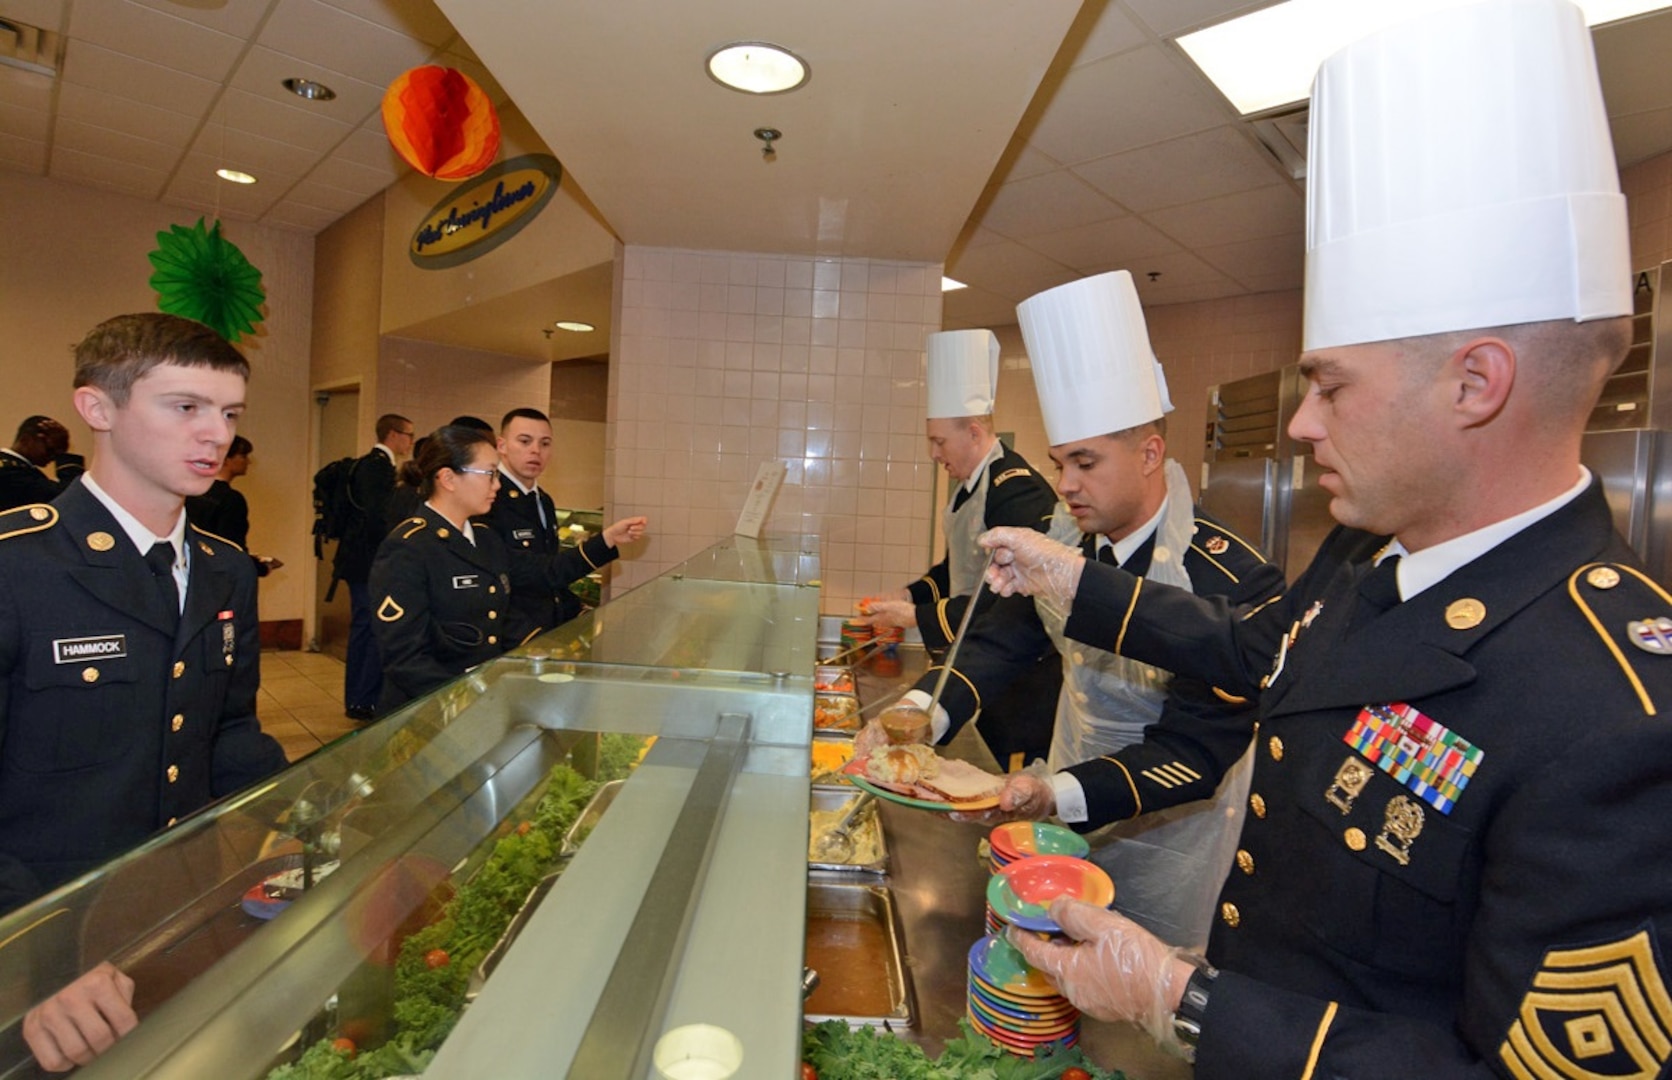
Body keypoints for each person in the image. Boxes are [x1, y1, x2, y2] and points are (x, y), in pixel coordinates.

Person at [977, 3, 1672, 1076]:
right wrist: (1073, 577)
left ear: (1474, 384)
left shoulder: (1619, 719)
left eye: (1330, 385)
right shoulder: (1367, 554)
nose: (1300, 426)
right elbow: (1261, 657)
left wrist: (1183, 999)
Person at [859, 271, 1284, 949]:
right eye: (1061, 463)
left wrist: (1059, 792)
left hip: (1167, 833)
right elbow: (1000, 639)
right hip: (1061, 793)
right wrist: (919, 712)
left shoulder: (1226, 579)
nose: (1065, 485)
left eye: (1085, 462)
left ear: (1150, 453)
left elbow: (1194, 752)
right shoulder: (1065, 543)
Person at [0, 312, 286, 1070]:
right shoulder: (18, 567)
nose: (216, 436)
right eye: (185, 407)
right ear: (98, 408)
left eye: (229, 414)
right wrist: (30, 963)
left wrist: (307, 827)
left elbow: (231, 733)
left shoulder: (225, 568)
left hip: (176, 912)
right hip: (41, 948)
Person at [859, 329, 1062, 767]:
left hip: (1015, 681)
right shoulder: (968, 487)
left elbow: (1009, 600)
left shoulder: (1015, 489)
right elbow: (957, 567)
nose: (934, 453)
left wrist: (916, 618)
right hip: (976, 666)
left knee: (1003, 780)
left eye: (939, 441)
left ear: (973, 432)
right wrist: (909, 595)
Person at [369, 425, 646, 712]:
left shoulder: (485, 538)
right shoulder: (409, 547)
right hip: (429, 710)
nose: (497, 485)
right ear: (448, 478)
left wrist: (606, 541)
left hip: (480, 697)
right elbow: (404, 658)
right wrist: (467, 700)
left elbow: (535, 579)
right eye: (490, 474)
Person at [480, 407, 648, 637]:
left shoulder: (543, 500)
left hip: (549, 629)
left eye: (545, 443)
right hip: (515, 635)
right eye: (524, 441)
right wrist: (606, 540)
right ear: (502, 446)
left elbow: (552, 582)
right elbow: (531, 574)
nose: (535, 451)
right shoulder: (488, 500)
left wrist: (584, 614)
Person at [333, 413, 414, 721]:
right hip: (366, 564)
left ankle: (362, 695)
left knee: (367, 627)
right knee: (367, 628)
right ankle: (361, 698)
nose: (410, 441)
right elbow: (377, 519)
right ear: (393, 435)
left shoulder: (377, 466)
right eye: (408, 434)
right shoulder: (376, 467)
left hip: (362, 562)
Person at [184, 435, 282, 577]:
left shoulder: (189, 492)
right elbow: (231, 549)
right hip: (218, 578)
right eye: (243, 455)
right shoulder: (231, 499)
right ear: (226, 458)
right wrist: (261, 567)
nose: (248, 461)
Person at [0, 415, 83, 511]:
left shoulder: (19, 468)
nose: (54, 457)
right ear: (26, 440)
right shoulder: (9, 472)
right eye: (50, 449)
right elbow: (70, 497)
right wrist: (65, 457)